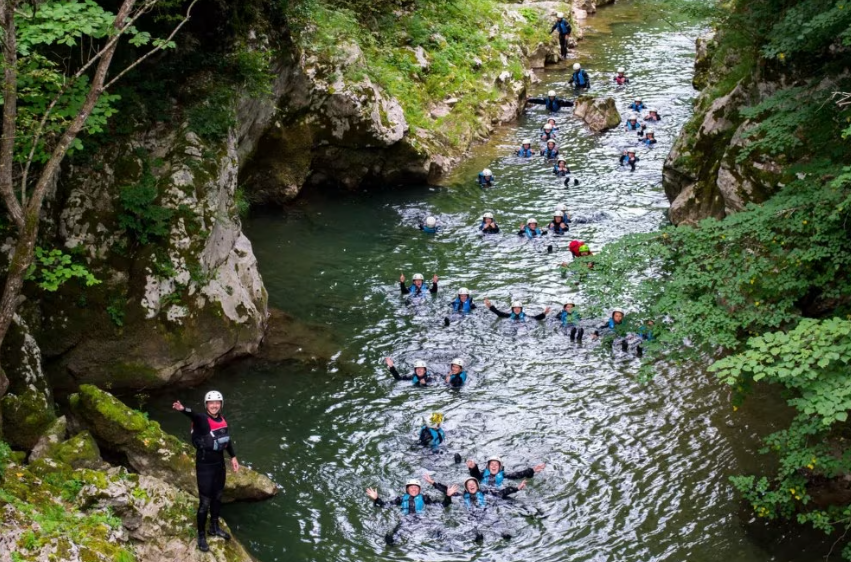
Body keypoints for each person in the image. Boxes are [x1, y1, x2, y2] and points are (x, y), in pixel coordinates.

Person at [172, 392, 239, 553]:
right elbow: (193, 415)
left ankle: (214, 527)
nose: (214, 405)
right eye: (211, 403)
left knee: (218, 497)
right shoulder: (202, 419)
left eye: (217, 403)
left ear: (221, 404)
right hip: (205, 466)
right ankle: (201, 535)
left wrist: (234, 457)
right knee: (205, 503)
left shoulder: (222, 420)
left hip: (219, 465)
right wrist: (183, 409)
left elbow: (227, 440)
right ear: (206, 405)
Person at [424, 474, 525, 541]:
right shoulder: (461, 496)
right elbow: (445, 490)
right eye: (469, 485)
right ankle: (476, 536)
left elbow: (503, 492)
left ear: (477, 486)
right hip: (470, 515)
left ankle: (503, 533)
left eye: (473, 484)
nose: (471, 485)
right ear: (467, 488)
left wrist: (517, 488)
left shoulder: (486, 493)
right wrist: (433, 483)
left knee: (494, 521)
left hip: (485, 513)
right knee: (472, 526)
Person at [366, 479, 459, 544]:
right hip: (406, 519)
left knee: (437, 526)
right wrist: (376, 499)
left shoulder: (424, 498)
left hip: (421, 518)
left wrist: (448, 496)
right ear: (407, 489)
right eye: (411, 487)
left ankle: (446, 541)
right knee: (398, 530)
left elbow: (443, 505)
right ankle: (392, 542)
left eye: (416, 487)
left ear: (419, 489)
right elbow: (385, 505)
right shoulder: (401, 499)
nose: (414, 489)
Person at [466, 456, 546, 487]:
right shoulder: (482, 475)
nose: (494, 466)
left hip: (499, 495)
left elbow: (518, 475)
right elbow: (475, 476)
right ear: (488, 467)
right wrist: (473, 467)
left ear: (500, 467)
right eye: (492, 464)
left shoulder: (504, 475)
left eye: (496, 465)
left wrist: (532, 470)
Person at [483, 298, 550, 321]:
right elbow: (498, 313)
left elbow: (536, 318)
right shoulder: (508, 315)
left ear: (521, 309)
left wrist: (544, 313)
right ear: (512, 309)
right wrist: (490, 306)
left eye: (518, 308)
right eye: (515, 308)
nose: (517, 309)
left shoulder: (525, 316)